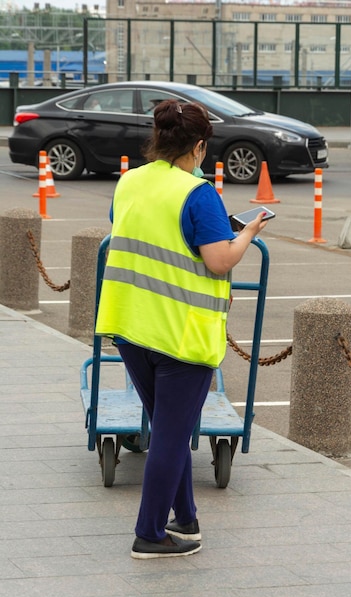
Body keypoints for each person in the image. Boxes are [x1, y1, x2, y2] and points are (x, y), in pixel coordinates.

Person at [95, 99, 268, 559]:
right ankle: (149, 534)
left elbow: (133, 234)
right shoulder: (198, 193)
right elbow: (219, 260)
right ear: (198, 146)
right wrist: (247, 232)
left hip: (130, 325)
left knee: (170, 425)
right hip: (180, 334)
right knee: (171, 437)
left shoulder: (129, 181)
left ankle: (186, 519)